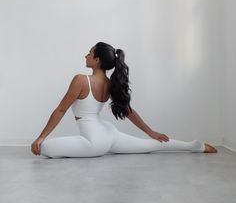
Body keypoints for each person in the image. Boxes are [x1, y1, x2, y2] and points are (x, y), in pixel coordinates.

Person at [31, 42, 218, 158]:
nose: (86, 55)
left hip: (94, 141)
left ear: (97, 60)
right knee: (149, 145)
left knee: (45, 148)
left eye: (89, 53)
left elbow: (61, 110)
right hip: (110, 134)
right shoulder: (109, 82)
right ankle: (195, 146)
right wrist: (151, 132)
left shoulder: (81, 80)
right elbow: (128, 111)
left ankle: (195, 147)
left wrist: (41, 137)